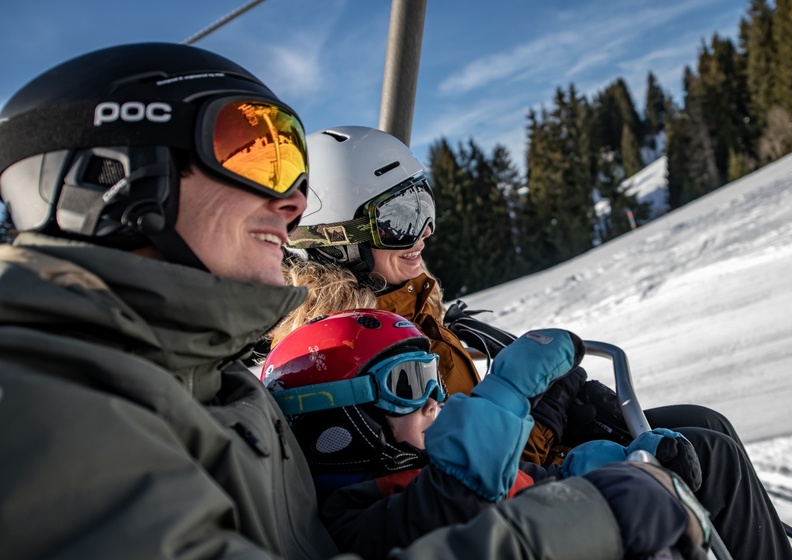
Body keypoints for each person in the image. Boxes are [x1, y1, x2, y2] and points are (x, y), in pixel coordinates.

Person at [0, 42, 714, 560]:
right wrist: (585, 513)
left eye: (294, 167)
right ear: (110, 179)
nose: (291, 199)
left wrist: (567, 467)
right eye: (252, 152)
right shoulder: (43, 406)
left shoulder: (215, 384)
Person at [275, 126, 792, 559]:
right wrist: (545, 409)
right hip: (500, 495)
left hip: (514, 471)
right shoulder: (347, 348)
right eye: (400, 221)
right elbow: (444, 468)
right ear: (337, 240)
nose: (424, 232)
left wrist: (561, 406)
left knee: (704, 427)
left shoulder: (409, 306)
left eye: (423, 206)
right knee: (709, 452)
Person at [262, 309, 706, 558]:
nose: (434, 399)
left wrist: (621, 463)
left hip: (583, 529)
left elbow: (539, 480)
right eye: (407, 384)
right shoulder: (353, 519)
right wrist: (507, 391)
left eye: (432, 377)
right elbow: (454, 500)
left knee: (709, 450)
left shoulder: (431, 464)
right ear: (339, 420)